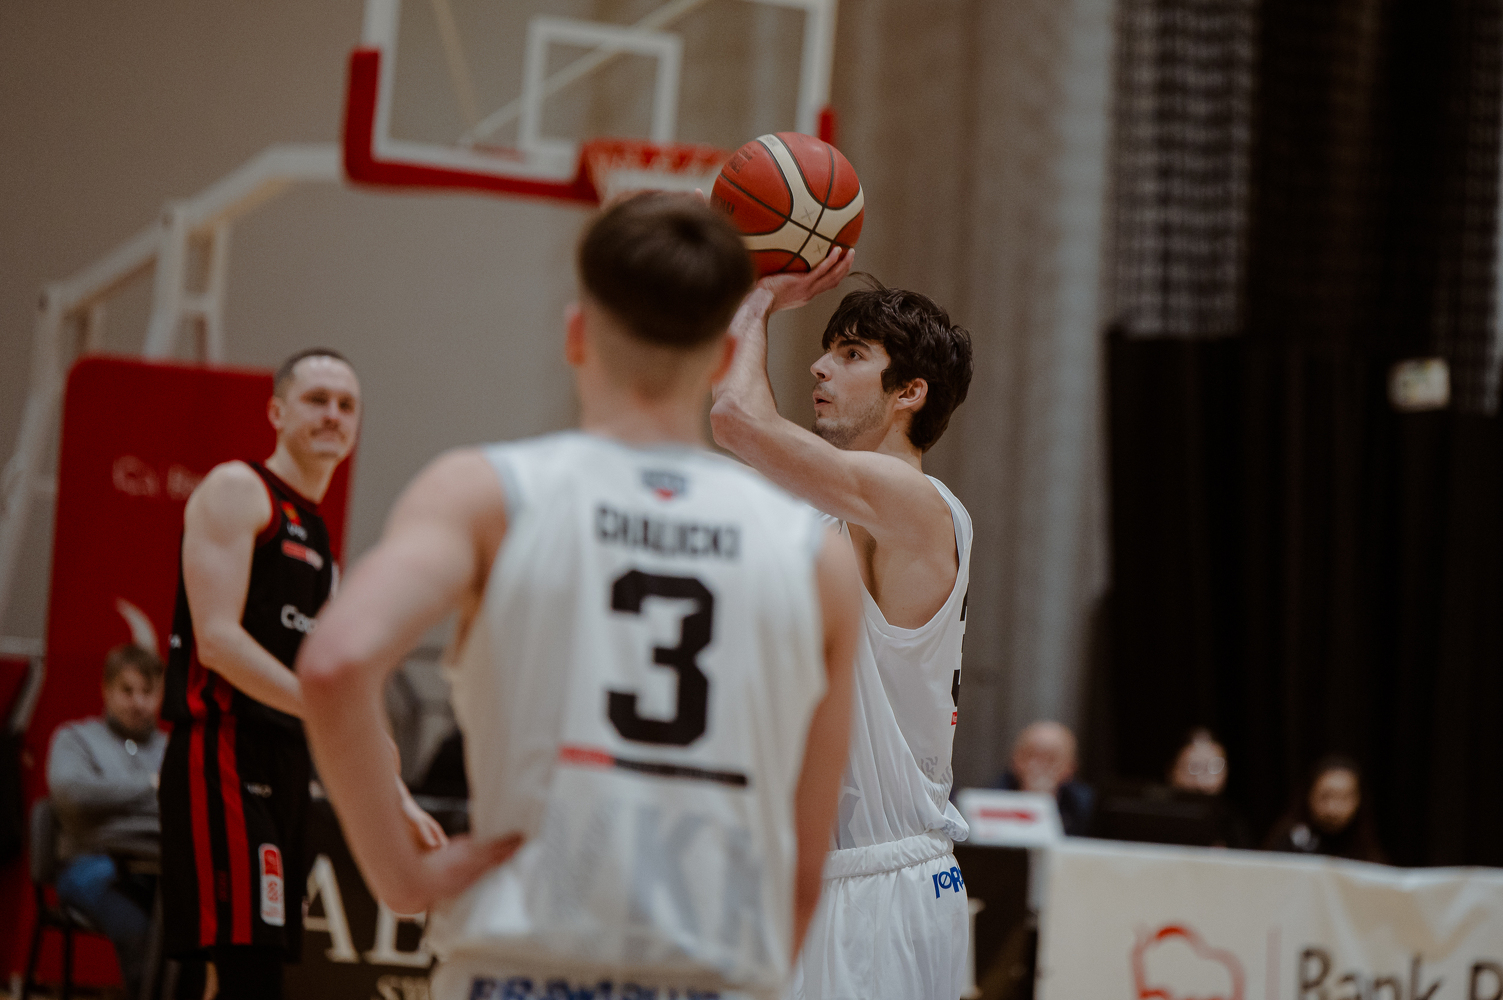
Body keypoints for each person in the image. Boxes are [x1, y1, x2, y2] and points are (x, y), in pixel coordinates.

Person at [297, 193, 861, 1000]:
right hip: (712, 975)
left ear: (574, 335)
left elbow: (335, 662)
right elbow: (804, 866)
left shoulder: (484, 494)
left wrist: (402, 876)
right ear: (719, 360)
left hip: (523, 966)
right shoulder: (815, 555)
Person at [710, 253, 976, 1000]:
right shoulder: (820, 509)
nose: (820, 367)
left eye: (852, 353)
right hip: (811, 874)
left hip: (883, 889)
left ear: (909, 393)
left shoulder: (917, 503)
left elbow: (736, 419)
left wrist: (757, 301)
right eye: (828, 350)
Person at [156, 348, 441, 1000]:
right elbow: (218, 642)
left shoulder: (317, 536)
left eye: (347, 405)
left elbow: (339, 687)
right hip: (224, 751)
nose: (333, 415)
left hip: (287, 764)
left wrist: (397, 797)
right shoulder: (238, 490)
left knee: (250, 969)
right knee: (244, 969)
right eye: (317, 400)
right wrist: (328, 713)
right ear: (277, 412)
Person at [47, 643, 167, 998]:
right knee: (140, 927)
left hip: (160, 869)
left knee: (188, 929)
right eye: (127, 690)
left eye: (147, 692)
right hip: (89, 863)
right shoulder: (74, 738)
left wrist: (112, 804)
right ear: (106, 689)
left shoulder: (172, 747)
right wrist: (151, 786)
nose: (138, 702)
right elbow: (73, 795)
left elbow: (182, 809)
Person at [1264, 755, 1385, 863]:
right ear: (1309, 795)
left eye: (1344, 797)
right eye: (1325, 796)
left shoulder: (1366, 847)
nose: (1333, 809)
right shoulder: (1288, 840)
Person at [993, 720, 1094, 836]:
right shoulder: (992, 798)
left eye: (1051, 759)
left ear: (1070, 768)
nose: (1038, 765)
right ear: (1014, 760)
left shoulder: (1085, 807)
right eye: (1030, 755)